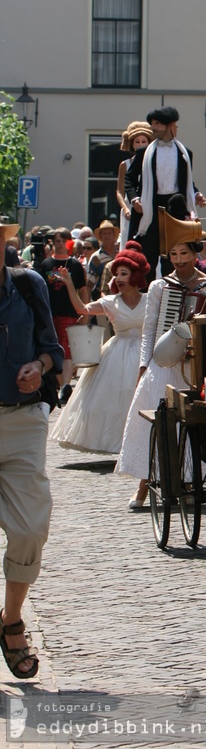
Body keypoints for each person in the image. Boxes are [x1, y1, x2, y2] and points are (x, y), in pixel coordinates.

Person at [116, 238, 206, 508]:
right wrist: (144, 364)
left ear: (195, 254)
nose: (178, 259)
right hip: (163, 363)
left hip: (196, 363)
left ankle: (189, 480)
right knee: (157, 421)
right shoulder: (159, 286)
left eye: (184, 253)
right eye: (173, 254)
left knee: (193, 421)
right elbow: (150, 328)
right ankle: (144, 484)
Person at [0, 221, 63, 679]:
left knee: (30, 527)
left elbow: (52, 349)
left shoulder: (28, 284)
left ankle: (11, 618)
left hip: (21, 421)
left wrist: (39, 367)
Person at [50, 242, 150, 455]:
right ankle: (117, 444)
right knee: (114, 397)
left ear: (135, 275)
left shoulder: (150, 300)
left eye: (124, 273)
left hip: (145, 353)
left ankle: (142, 441)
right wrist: (69, 284)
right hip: (117, 353)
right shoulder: (111, 302)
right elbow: (82, 309)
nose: (119, 279)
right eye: (117, 274)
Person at [125, 106, 206, 278]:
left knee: (173, 257)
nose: (153, 128)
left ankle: (171, 296)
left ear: (169, 126)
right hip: (150, 208)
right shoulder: (144, 153)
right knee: (147, 258)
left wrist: (196, 194)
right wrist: (135, 200)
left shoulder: (185, 153)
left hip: (175, 208)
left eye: (157, 124)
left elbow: (186, 182)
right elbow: (129, 179)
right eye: (152, 124)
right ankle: (146, 298)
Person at [37, 226, 89, 405]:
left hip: (69, 311)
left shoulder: (75, 265)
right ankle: (61, 384)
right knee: (53, 348)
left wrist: (85, 311)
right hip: (49, 311)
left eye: (62, 241)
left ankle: (66, 385)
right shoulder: (46, 264)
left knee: (66, 349)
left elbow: (83, 290)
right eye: (57, 241)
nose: (59, 244)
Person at [116, 121, 153, 246]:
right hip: (130, 208)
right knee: (130, 242)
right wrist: (126, 209)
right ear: (132, 144)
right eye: (137, 142)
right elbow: (120, 192)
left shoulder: (153, 163)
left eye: (144, 141)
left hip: (148, 206)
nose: (140, 145)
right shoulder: (125, 164)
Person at [87, 220, 119, 300]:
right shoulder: (96, 257)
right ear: (100, 236)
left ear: (114, 235)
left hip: (120, 296)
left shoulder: (121, 252)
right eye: (104, 233)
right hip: (101, 297)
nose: (107, 236)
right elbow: (89, 283)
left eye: (109, 233)